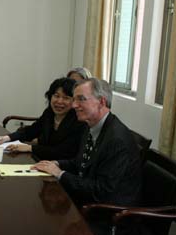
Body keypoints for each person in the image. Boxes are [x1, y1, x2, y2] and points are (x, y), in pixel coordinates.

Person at [33, 78, 141, 207]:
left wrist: (60, 174)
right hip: (87, 199)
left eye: (81, 99)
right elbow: (80, 163)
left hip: (107, 211)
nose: (74, 105)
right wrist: (56, 163)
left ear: (101, 102)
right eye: (74, 99)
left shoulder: (116, 140)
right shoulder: (90, 126)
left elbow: (101, 191)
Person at [0, 77, 86, 160]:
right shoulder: (49, 113)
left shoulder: (78, 121)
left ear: (74, 101)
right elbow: (31, 131)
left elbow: (63, 151)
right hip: (41, 161)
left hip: (61, 167)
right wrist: (7, 138)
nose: (59, 101)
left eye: (66, 98)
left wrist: (30, 148)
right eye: (56, 96)